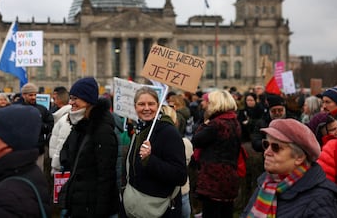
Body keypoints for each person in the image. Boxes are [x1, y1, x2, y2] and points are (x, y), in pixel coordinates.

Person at [241, 118, 337, 217]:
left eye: (276, 147)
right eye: (266, 144)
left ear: (299, 157)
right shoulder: (266, 182)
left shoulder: (320, 200)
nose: (267, 152)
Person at [122, 86, 187, 217]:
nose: (146, 108)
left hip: (159, 210)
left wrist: (150, 160)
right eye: (141, 104)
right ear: (135, 107)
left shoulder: (168, 132)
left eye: (151, 104)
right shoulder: (139, 129)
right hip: (137, 206)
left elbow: (180, 176)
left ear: (158, 106)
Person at [59, 77, 119, 217]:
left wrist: (100, 213)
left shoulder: (102, 130)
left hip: (92, 208)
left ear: (88, 101)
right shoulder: (82, 125)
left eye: (75, 99)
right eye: (70, 98)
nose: (70, 102)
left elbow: (106, 177)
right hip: (81, 203)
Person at [192, 90, 241, 218]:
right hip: (229, 175)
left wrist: (204, 124)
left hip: (214, 178)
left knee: (212, 212)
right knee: (225, 211)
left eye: (207, 102)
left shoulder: (216, 124)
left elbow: (197, 140)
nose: (204, 104)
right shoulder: (233, 121)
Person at [17, 83, 54, 171]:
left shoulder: (42, 109)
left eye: (35, 95)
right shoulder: (17, 109)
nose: (33, 97)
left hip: (38, 150)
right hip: (21, 151)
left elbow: (50, 126)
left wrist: (38, 125)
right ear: (23, 95)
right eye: (30, 95)